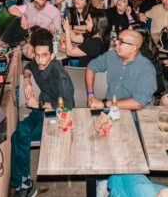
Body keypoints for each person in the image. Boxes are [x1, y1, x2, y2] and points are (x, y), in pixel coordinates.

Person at [10, 28, 74, 196]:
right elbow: (29, 66)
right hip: (41, 113)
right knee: (19, 133)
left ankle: (23, 184)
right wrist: (27, 80)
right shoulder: (38, 62)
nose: (40, 59)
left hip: (58, 118)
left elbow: (68, 106)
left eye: (44, 55)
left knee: (20, 135)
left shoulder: (60, 76)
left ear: (52, 55)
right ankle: (24, 182)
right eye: (37, 55)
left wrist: (38, 104)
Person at [85, 29, 157, 110]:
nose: (115, 42)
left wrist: (105, 104)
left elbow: (138, 103)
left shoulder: (146, 68)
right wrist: (90, 94)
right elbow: (91, 67)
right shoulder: (112, 55)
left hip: (136, 112)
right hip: (111, 109)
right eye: (117, 39)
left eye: (121, 41)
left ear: (133, 48)